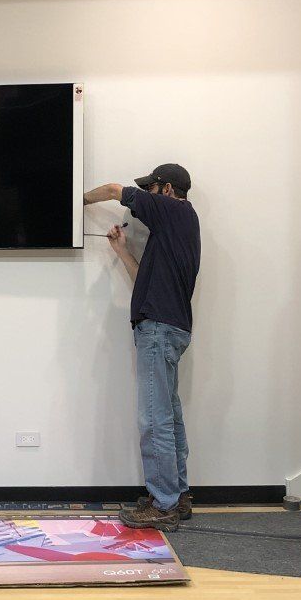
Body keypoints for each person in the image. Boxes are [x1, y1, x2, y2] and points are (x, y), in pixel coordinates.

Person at [84, 163, 201, 530]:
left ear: (166, 189)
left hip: (159, 331)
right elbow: (144, 282)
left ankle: (163, 504)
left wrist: (76, 201)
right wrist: (120, 250)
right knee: (170, 416)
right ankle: (177, 496)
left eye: (151, 188)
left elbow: (115, 189)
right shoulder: (174, 231)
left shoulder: (175, 209)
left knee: (155, 419)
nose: (147, 195)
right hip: (170, 328)